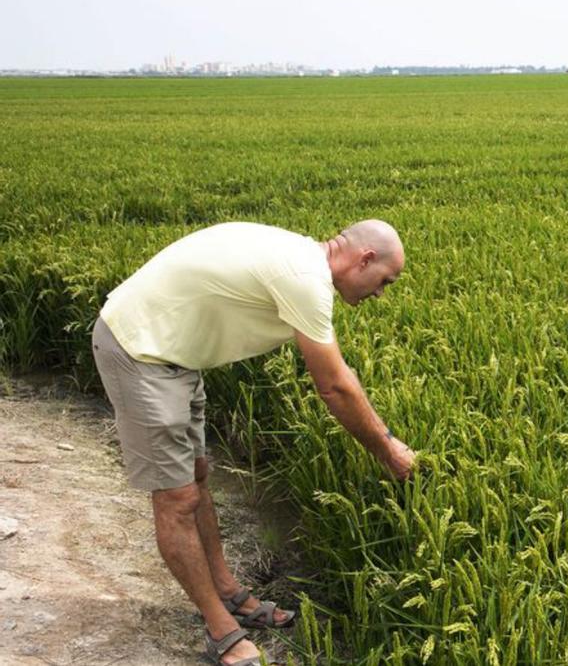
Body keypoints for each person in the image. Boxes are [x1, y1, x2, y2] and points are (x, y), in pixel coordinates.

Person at [90, 219, 415, 666]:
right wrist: (389, 449)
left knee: (197, 475)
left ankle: (226, 591)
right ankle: (220, 630)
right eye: (384, 282)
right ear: (364, 259)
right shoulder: (305, 278)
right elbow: (335, 386)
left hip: (177, 354)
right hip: (139, 349)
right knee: (177, 496)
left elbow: (340, 378)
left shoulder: (302, 259)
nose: (381, 293)